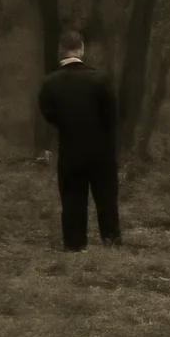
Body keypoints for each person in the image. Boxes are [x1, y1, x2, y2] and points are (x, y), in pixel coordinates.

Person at [37, 29, 122, 252]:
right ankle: (111, 243)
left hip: (70, 150)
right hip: (101, 152)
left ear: (60, 51)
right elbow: (112, 116)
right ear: (81, 48)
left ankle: (75, 246)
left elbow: (49, 114)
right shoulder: (100, 79)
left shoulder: (50, 83)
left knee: (72, 200)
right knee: (106, 200)